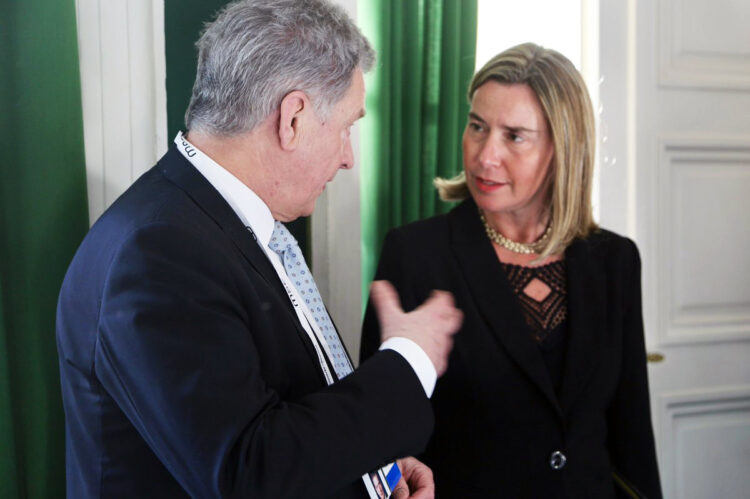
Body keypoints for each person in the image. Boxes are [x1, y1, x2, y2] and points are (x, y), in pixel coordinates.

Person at [56, 1, 462, 497]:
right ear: (292, 118)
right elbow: (250, 472)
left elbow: (274, 413)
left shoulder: (215, 223)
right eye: (346, 127)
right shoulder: (158, 253)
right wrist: (409, 359)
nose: (348, 158)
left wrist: (374, 466)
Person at [361, 42, 662, 498]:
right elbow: (377, 431)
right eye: (477, 126)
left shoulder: (615, 261)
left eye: (515, 136)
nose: (485, 156)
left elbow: (632, 432)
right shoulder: (415, 254)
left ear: (562, 147)